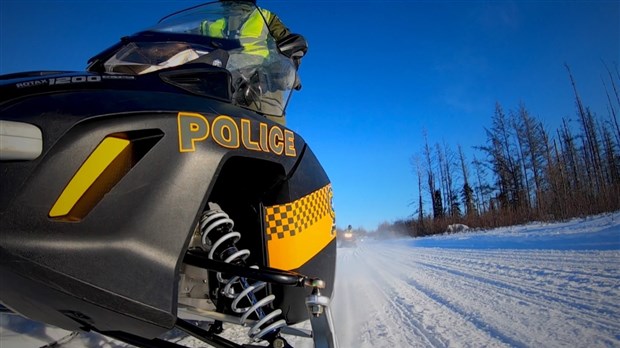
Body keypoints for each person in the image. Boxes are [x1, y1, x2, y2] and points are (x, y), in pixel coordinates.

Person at [200, 0, 307, 125]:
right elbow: (182, 39)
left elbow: (291, 47)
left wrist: (275, 75)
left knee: (272, 134)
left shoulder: (265, 17)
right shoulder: (211, 23)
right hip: (222, 89)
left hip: (263, 89)